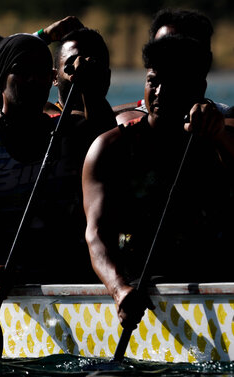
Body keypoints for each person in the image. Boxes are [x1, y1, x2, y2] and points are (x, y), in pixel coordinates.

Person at [83, 35, 234, 329]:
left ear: (198, 91)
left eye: (174, 83)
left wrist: (218, 138)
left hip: (212, 277)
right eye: (153, 81)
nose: (161, 93)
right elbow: (95, 234)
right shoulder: (110, 148)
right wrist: (118, 289)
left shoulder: (215, 140)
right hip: (139, 286)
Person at [0, 33, 98, 297]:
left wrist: (88, 88)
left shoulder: (68, 131)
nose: (33, 80)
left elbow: (105, 136)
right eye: (21, 71)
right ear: (0, 79)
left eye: (41, 72)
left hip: (60, 271)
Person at [114, 9, 229, 124]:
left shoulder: (225, 124)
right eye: (159, 47)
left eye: (181, 49)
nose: (166, 56)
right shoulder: (122, 123)